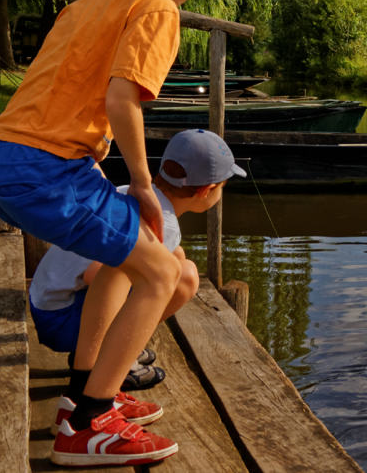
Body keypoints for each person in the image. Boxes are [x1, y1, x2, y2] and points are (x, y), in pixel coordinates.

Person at [0, 0, 228, 467]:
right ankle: (89, 426)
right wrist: (140, 182)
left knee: (129, 258)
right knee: (164, 271)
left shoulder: (88, 5)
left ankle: (82, 398)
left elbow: (59, 99)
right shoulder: (159, 10)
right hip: (45, 169)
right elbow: (121, 99)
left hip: (0, 156)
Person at [29, 129, 244, 444]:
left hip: (49, 304)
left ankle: (101, 375)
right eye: (222, 187)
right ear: (207, 191)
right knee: (182, 278)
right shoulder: (163, 224)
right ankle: (93, 386)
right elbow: (100, 275)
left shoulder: (133, 192)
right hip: (62, 319)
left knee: (181, 270)